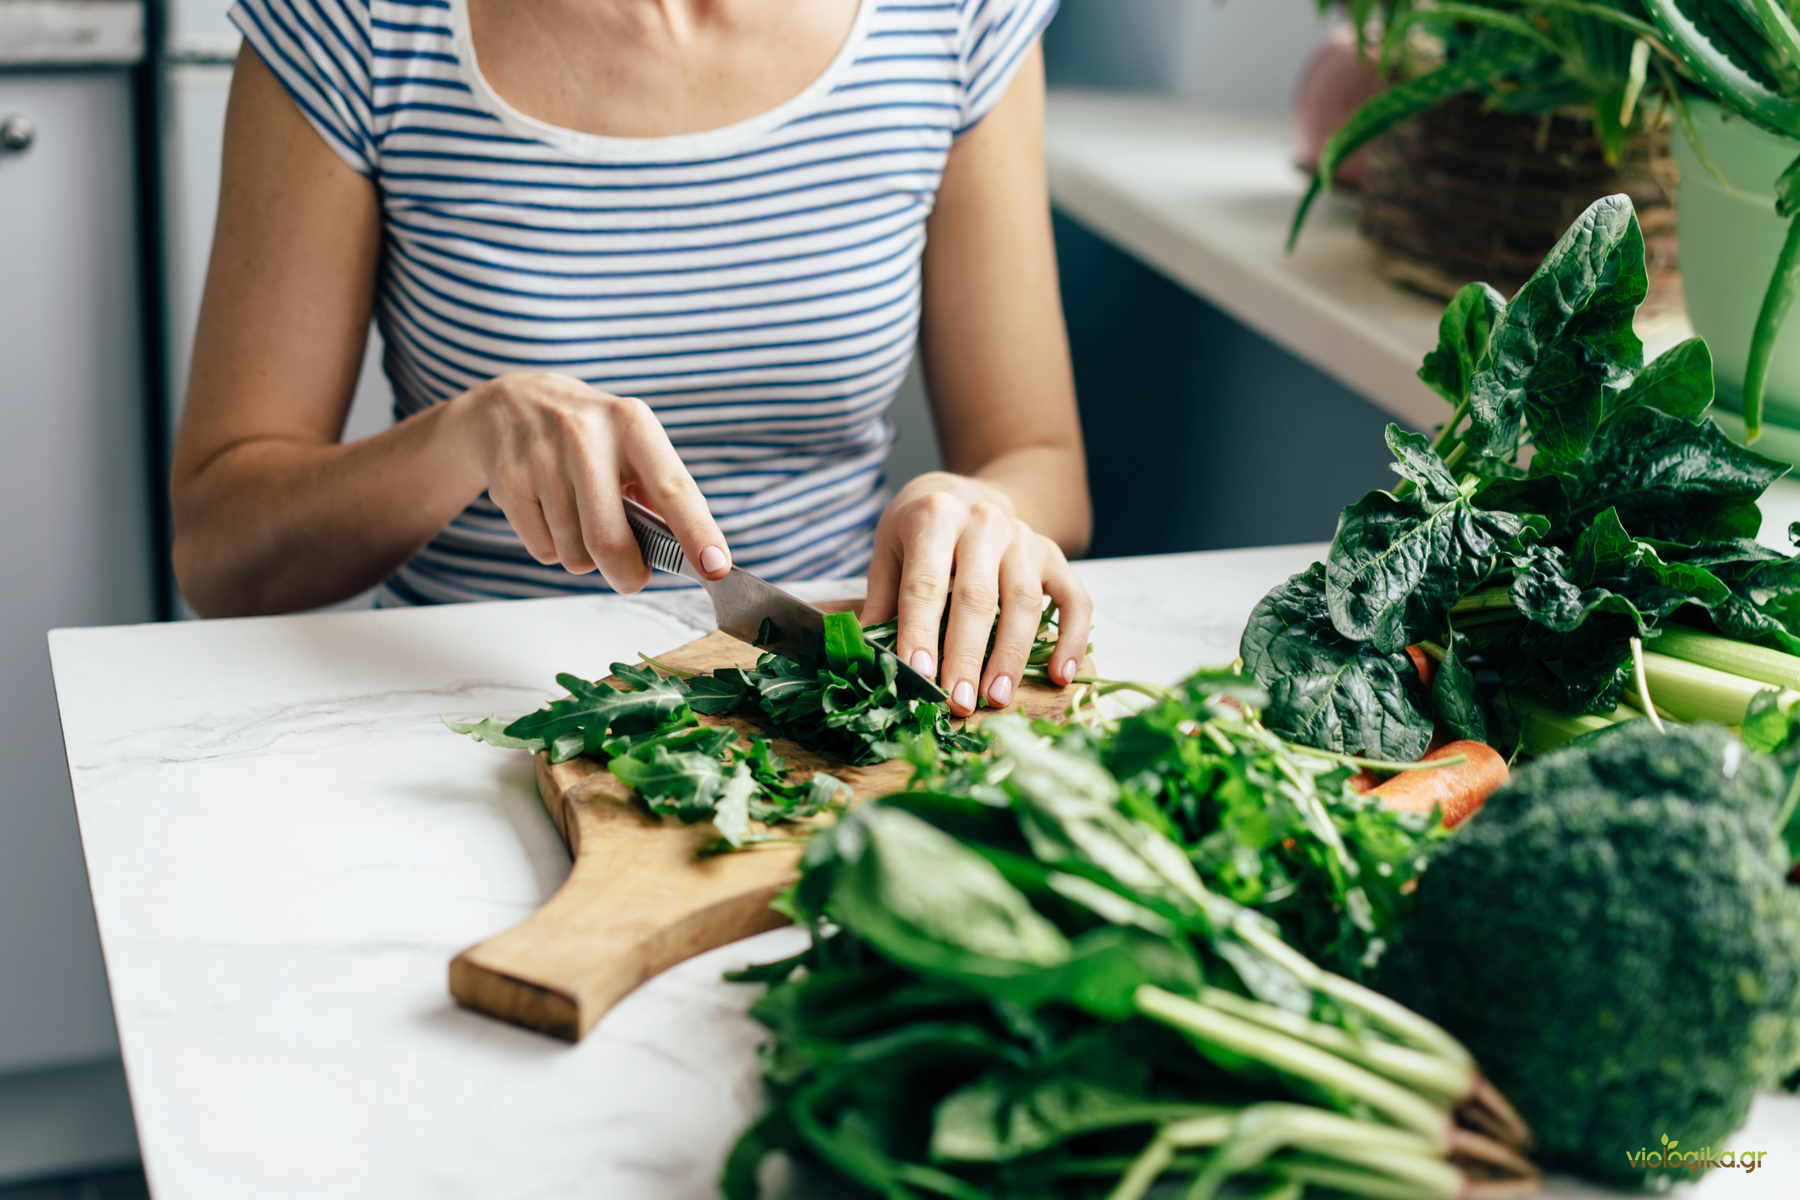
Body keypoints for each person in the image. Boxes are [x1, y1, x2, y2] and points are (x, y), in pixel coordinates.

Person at [170, 0, 1092, 717]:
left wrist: (984, 506)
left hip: (834, 706)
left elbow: (1042, 461)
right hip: (459, 708)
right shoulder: (353, 25)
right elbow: (222, 552)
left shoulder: (953, 19)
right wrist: (465, 438)